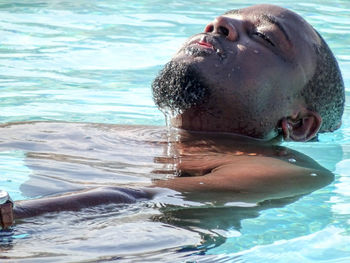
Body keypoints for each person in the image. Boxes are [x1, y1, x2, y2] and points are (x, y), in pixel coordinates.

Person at [0, 4, 345, 229]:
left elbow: (141, 199)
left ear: (299, 123)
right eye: (224, 18)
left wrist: (9, 219)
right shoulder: (65, 136)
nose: (219, 23)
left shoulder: (287, 172)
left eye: (263, 36)